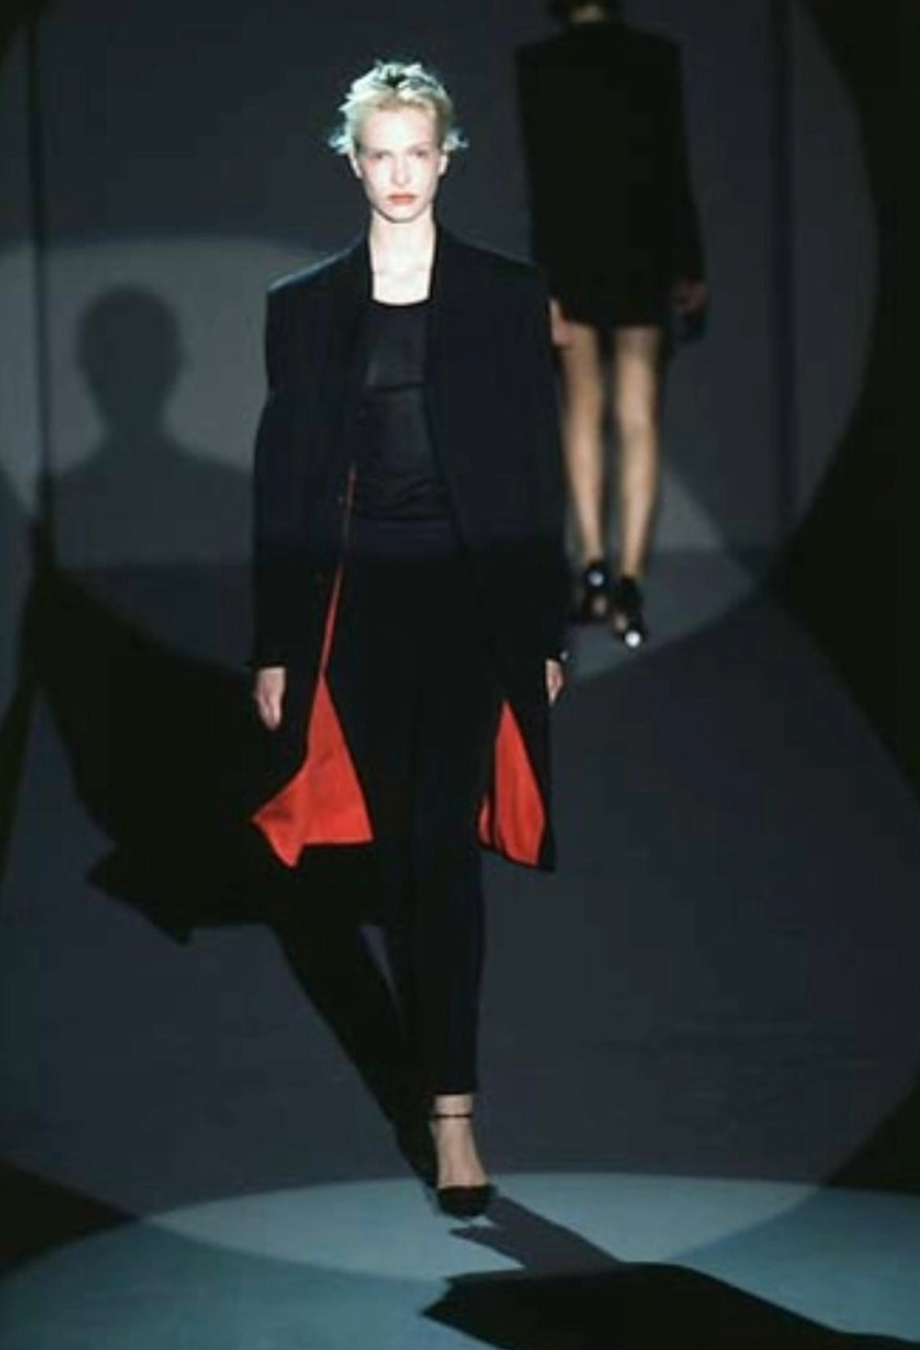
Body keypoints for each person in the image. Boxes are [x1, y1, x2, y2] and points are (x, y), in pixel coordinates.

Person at [247, 60, 567, 1218]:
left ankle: (452, 1116)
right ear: (353, 162)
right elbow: (283, 484)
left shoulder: (503, 293)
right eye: (377, 153)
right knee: (396, 866)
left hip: (471, 606)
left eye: (414, 153)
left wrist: (543, 629)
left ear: (444, 158)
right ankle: (439, 1093)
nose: (397, 173)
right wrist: (276, 644)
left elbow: (532, 470)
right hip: (361, 612)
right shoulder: (303, 306)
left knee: (442, 857)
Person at [516, 0, 708, 646]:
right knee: (638, 413)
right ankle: (628, 581)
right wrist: (690, 264)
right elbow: (673, 169)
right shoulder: (655, 59)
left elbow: (544, 179)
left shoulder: (540, 65)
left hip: (573, 254)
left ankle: (594, 566)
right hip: (641, 252)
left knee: (582, 409)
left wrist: (544, 281)